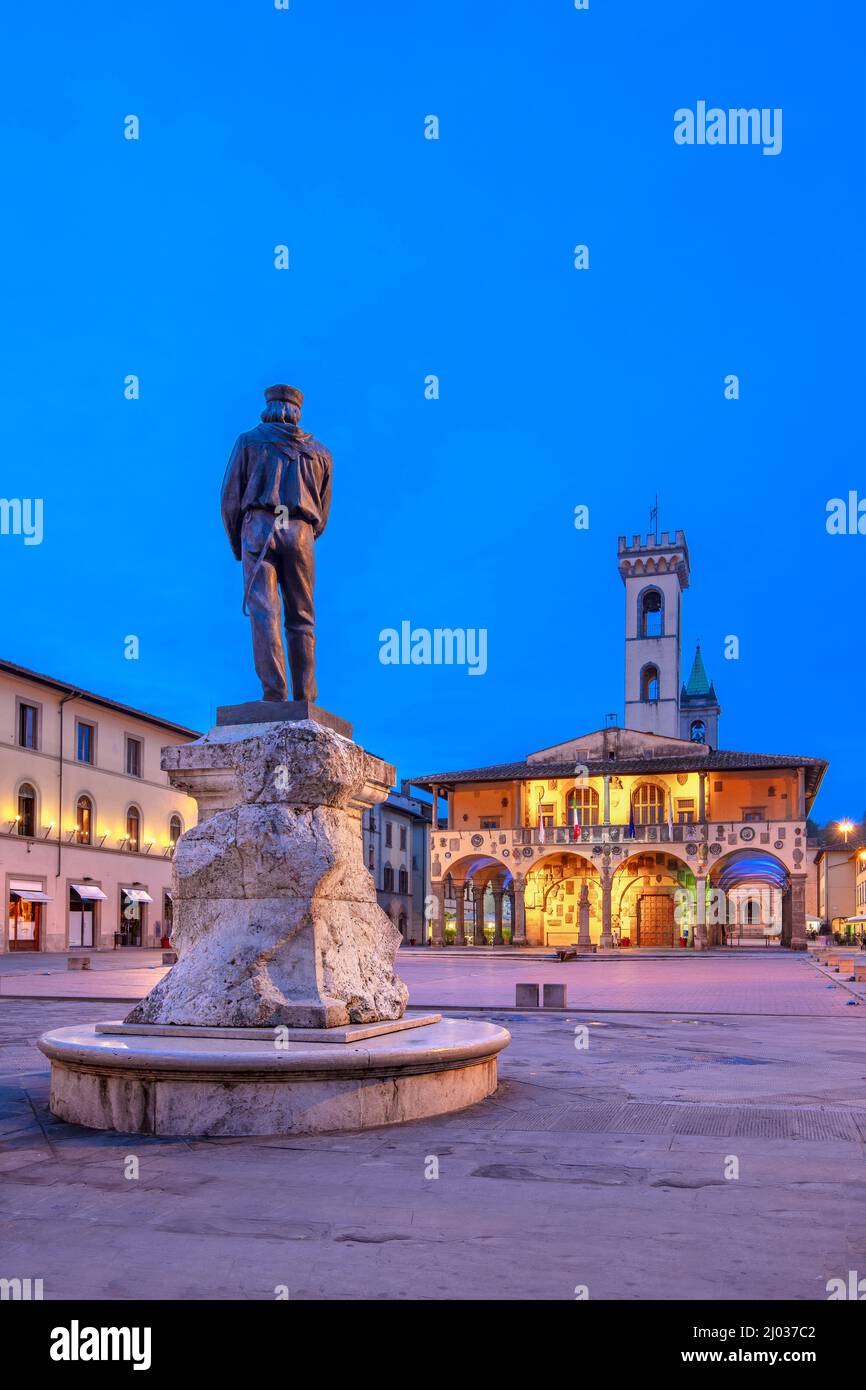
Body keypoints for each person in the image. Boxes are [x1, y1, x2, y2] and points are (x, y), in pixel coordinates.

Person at [220, 384, 332, 702]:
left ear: (269, 409)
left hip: (258, 527)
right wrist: (303, 533)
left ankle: (275, 693)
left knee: (265, 610)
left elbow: (229, 499)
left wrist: (238, 542)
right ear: (295, 411)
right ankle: (306, 698)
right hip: (300, 531)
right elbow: (323, 513)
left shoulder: (248, 442)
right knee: (303, 616)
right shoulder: (322, 453)